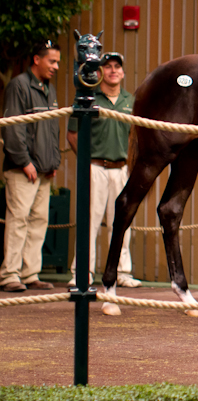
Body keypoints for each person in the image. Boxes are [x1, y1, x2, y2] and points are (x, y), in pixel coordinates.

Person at [67, 52, 141, 288]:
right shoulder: (88, 98)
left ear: (123, 72)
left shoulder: (131, 101)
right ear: (99, 72)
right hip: (95, 167)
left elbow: (135, 136)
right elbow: (72, 134)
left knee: (122, 223)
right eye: (107, 66)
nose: (113, 70)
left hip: (121, 169)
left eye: (117, 66)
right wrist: (86, 160)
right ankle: (82, 273)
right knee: (89, 222)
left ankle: (122, 271)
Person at [0, 40, 62, 292]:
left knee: (38, 222)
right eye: (52, 61)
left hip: (43, 170)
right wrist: (24, 161)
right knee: (19, 221)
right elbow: (12, 127)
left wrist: (53, 161)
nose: (56, 67)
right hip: (22, 170)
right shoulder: (19, 85)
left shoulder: (49, 89)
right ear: (37, 59)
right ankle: (9, 274)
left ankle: (30, 273)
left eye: (57, 62)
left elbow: (52, 127)